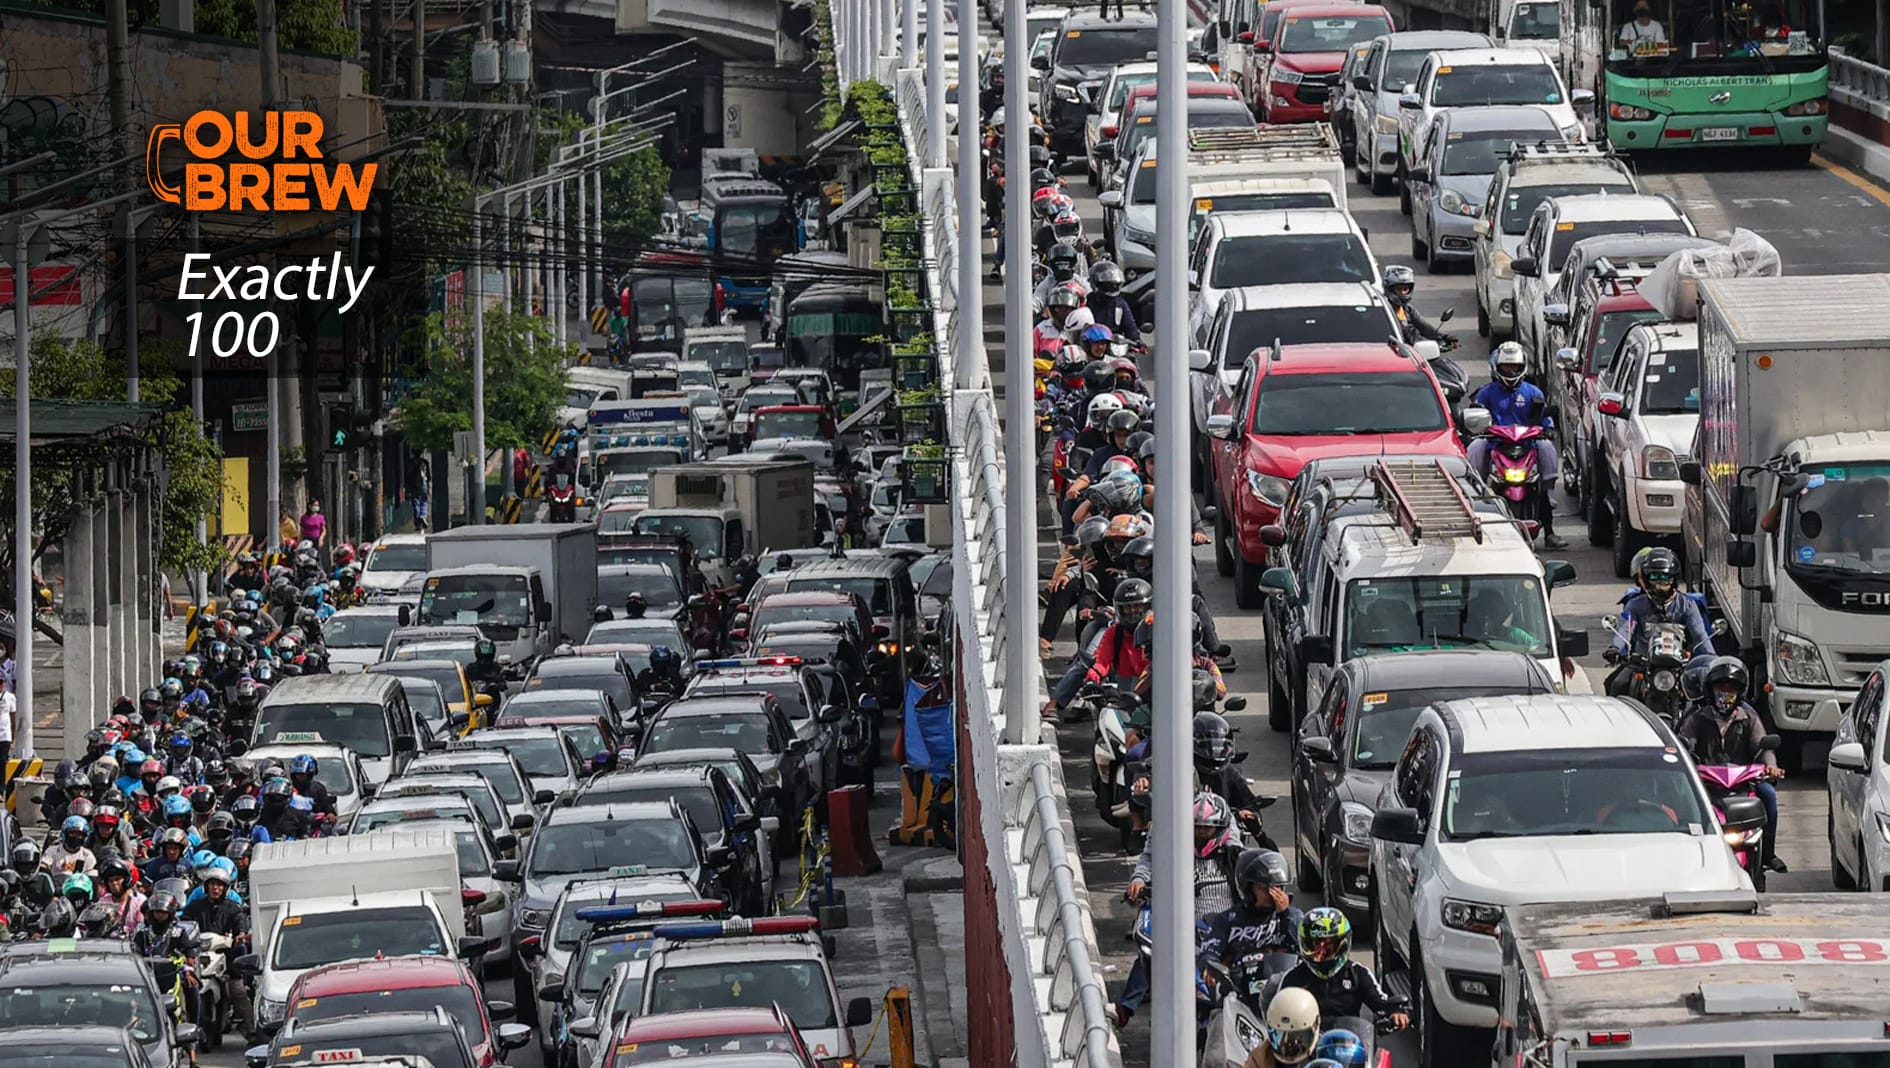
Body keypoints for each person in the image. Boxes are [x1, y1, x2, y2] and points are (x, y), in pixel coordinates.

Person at [1675, 656, 1787, 873]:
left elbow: (1763, 747)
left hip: (1745, 782)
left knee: (1770, 796)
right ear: (1710, 690)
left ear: (1740, 692)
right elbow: (1684, 744)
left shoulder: (1749, 719)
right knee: (1680, 800)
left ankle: (1768, 854)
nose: (1725, 693)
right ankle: (1682, 850)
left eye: (1731, 688)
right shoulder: (1697, 719)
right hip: (1705, 783)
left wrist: (1771, 767)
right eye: (1720, 688)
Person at [1467, 341, 1567, 548]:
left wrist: (1547, 428)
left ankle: (1549, 527)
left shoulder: (1534, 393)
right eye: (1506, 367)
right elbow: (1475, 415)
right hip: (1494, 444)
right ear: (1497, 367)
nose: (1511, 371)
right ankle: (1475, 489)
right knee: (1474, 447)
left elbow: (1544, 419)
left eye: (1515, 367)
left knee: (1548, 447)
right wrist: (1477, 429)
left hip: (1527, 444)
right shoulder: (1486, 393)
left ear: (1523, 367)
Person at [1264, 909, 1409, 1034]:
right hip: (1306, 1048)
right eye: (1314, 946)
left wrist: (1395, 1011)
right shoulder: (1293, 977)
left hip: (1349, 1046)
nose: (1322, 954)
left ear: (1344, 944)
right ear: (1303, 945)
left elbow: (1380, 1002)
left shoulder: (1358, 973)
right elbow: (1279, 1013)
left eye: (1329, 947)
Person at [1605, 546, 1713, 693]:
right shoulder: (1635, 605)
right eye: (1654, 578)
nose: (1660, 583)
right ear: (1646, 579)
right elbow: (1626, 628)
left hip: (1679, 664)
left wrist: (1712, 658)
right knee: (1617, 684)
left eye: (1665, 577)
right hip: (1643, 664)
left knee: (1704, 690)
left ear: (1674, 578)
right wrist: (1615, 647)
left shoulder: (1688, 605)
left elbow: (1700, 634)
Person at [1197, 849, 1303, 999]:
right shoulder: (1227, 920)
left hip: (1285, 995)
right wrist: (1210, 966)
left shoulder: (1292, 916)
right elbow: (1209, 952)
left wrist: (1285, 914)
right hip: (1241, 995)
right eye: (1265, 888)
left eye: (1278, 887)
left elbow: (1305, 945)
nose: (1273, 894)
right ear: (1248, 888)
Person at [130, 889, 200, 1026]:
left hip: (174, 972)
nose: (160, 915)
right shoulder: (142, 934)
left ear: (170, 914)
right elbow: (134, 952)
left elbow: (189, 950)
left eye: (163, 913)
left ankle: (193, 1029)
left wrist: (189, 965)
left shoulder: (179, 932)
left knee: (192, 988)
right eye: (157, 912)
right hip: (147, 974)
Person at [1383, 265, 1450, 345]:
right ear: (1389, 289)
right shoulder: (1383, 311)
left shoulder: (1408, 310)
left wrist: (1445, 337)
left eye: (1405, 289)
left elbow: (1425, 328)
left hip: (1411, 351)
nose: (1403, 293)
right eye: (1399, 289)